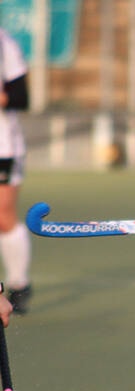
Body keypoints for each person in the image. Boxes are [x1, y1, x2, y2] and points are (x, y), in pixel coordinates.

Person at [0, 28, 32, 314]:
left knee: (2, 216)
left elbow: (21, 96)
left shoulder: (3, 42)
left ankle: (19, 284)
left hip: (3, 146)